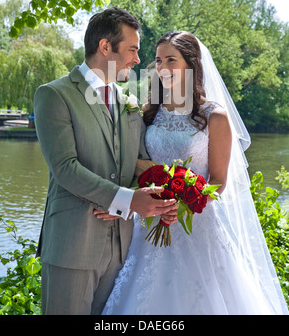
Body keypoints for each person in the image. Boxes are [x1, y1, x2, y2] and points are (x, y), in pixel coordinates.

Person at [99, 31, 288, 315]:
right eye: (158, 60)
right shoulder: (148, 112)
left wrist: (185, 202)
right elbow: (135, 165)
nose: (162, 68)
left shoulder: (215, 116)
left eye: (171, 60)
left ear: (192, 64)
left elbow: (219, 181)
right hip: (148, 222)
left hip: (197, 226)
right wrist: (122, 202)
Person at [33, 8, 177, 315]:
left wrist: (162, 198)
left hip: (122, 251)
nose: (138, 59)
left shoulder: (130, 103)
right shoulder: (54, 95)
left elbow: (142, 165)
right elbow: (64, 168)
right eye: (132, 50)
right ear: (105, 47)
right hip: (73, 246)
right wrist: (125, 199)